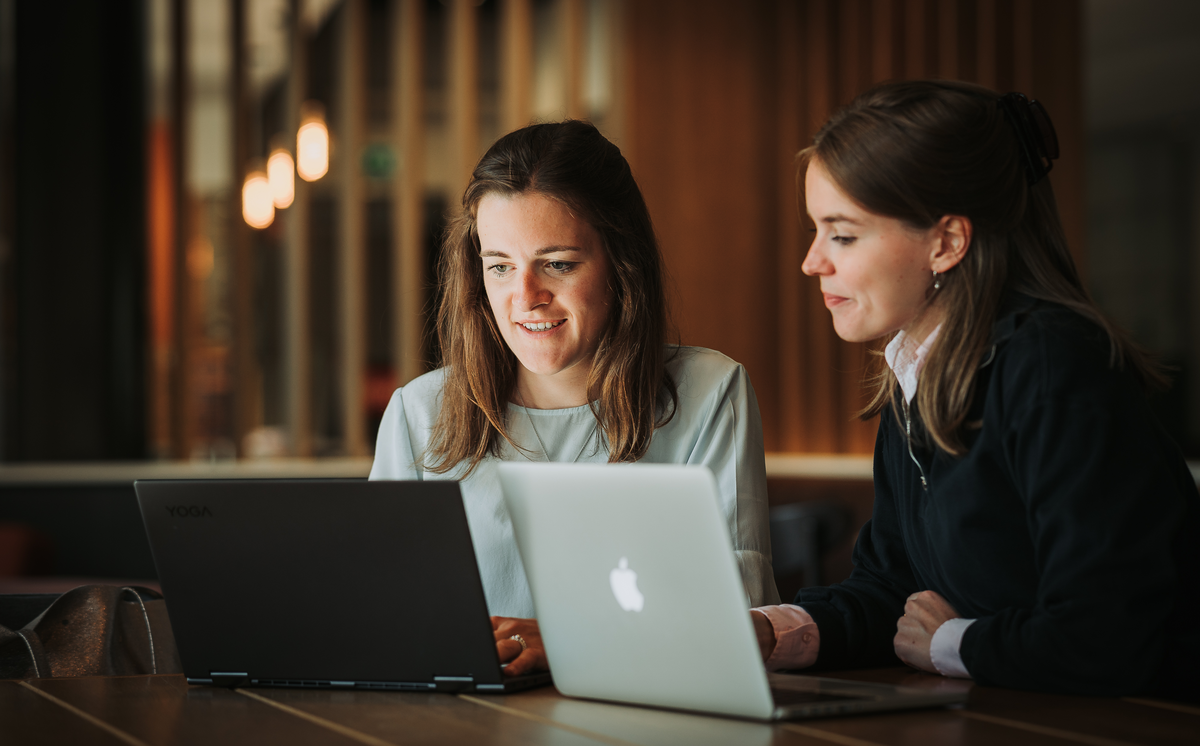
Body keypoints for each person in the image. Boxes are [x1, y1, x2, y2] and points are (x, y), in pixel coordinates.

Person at [750, 80, 1200, 700]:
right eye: (816, 230)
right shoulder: (914, 375)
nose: (812, 261)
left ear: (947, 242)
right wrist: (777, 631)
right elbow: (891, 590)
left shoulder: (1052, 366)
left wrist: (952, 643)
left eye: (842, 234)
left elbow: (1105, 635)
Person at [371, 120, 779, 674]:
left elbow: (740, 617)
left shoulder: (710, 392)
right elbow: (388, 618)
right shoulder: (418, 412)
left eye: (558, 264)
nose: (526, 298)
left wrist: (567, 642)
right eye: (500, 267)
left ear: (621, 263)